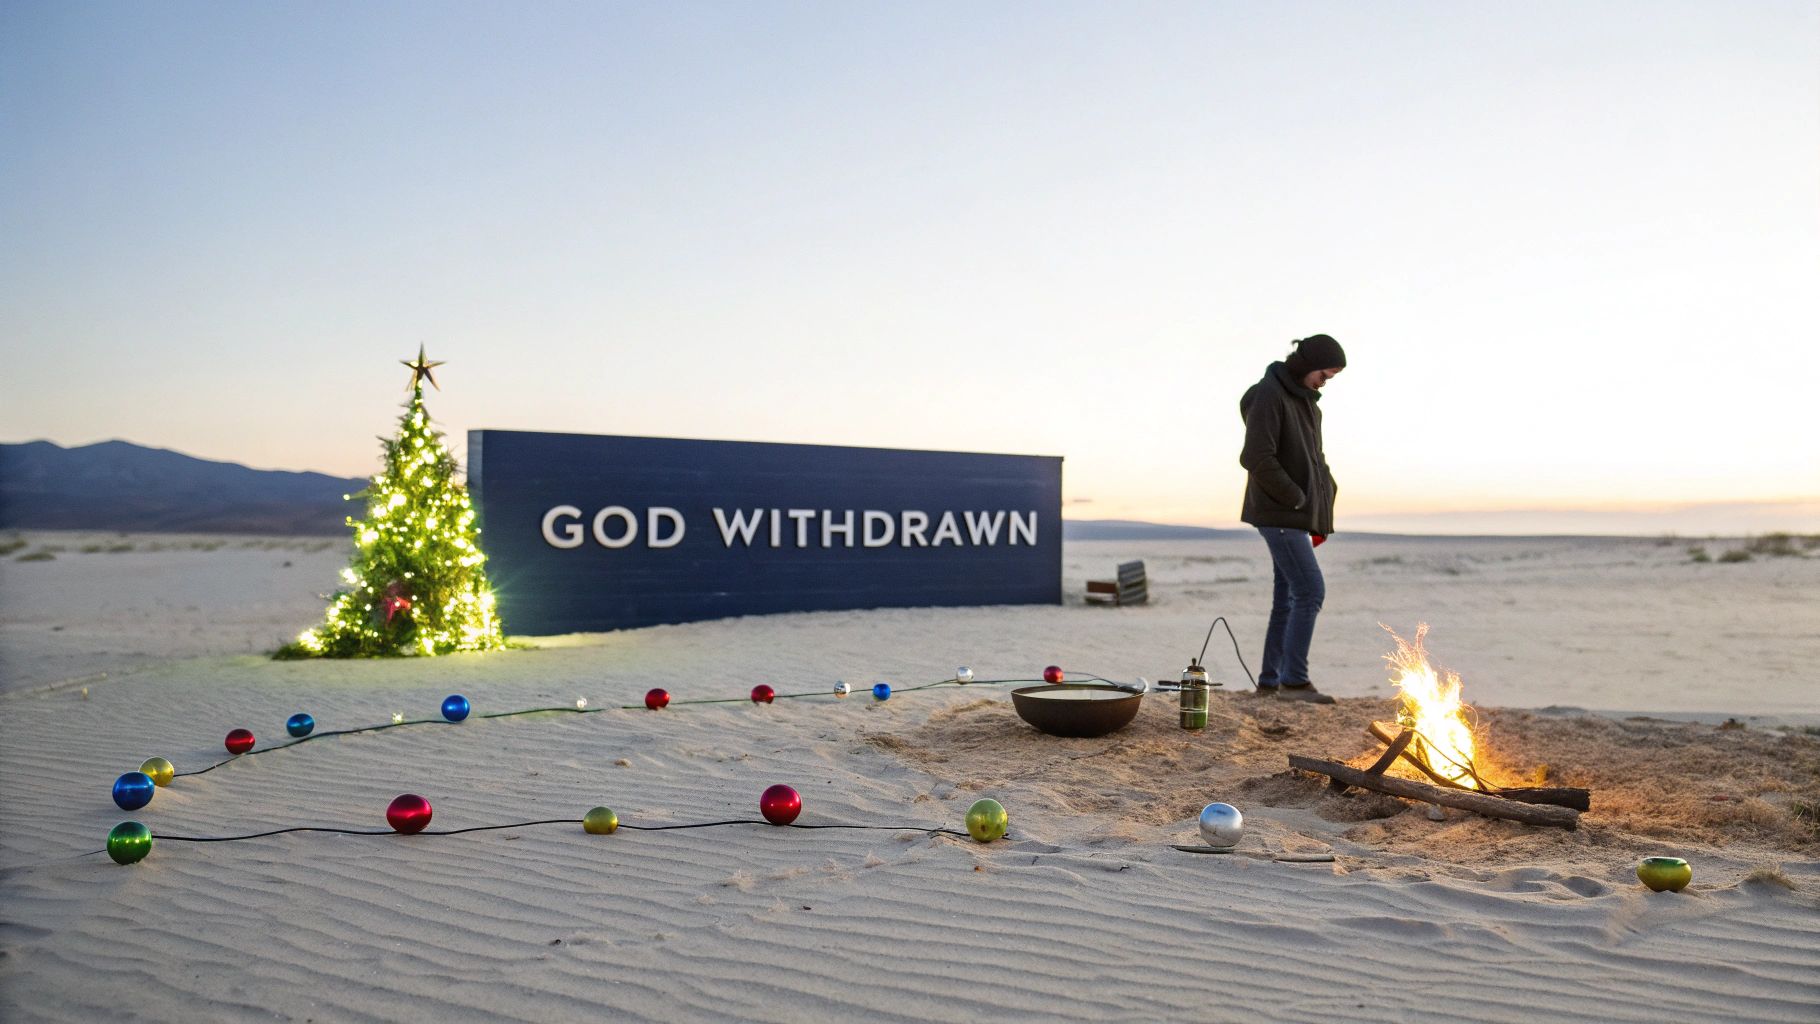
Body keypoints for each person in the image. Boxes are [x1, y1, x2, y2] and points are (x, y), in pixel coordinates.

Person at [1238, 334, 1346, 703]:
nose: (1325, 382)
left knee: (1287, 598)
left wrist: (1319, 508)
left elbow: (1315, 461)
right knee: (1310, 591)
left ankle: (1271, 681)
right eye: (1324, 374)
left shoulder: (1308, 404)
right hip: (1280, 513)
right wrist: (1297, 499)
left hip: (1296, 515)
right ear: (1307, 363)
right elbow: (1256, 456)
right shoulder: (1269, 394)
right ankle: (1294, 682)